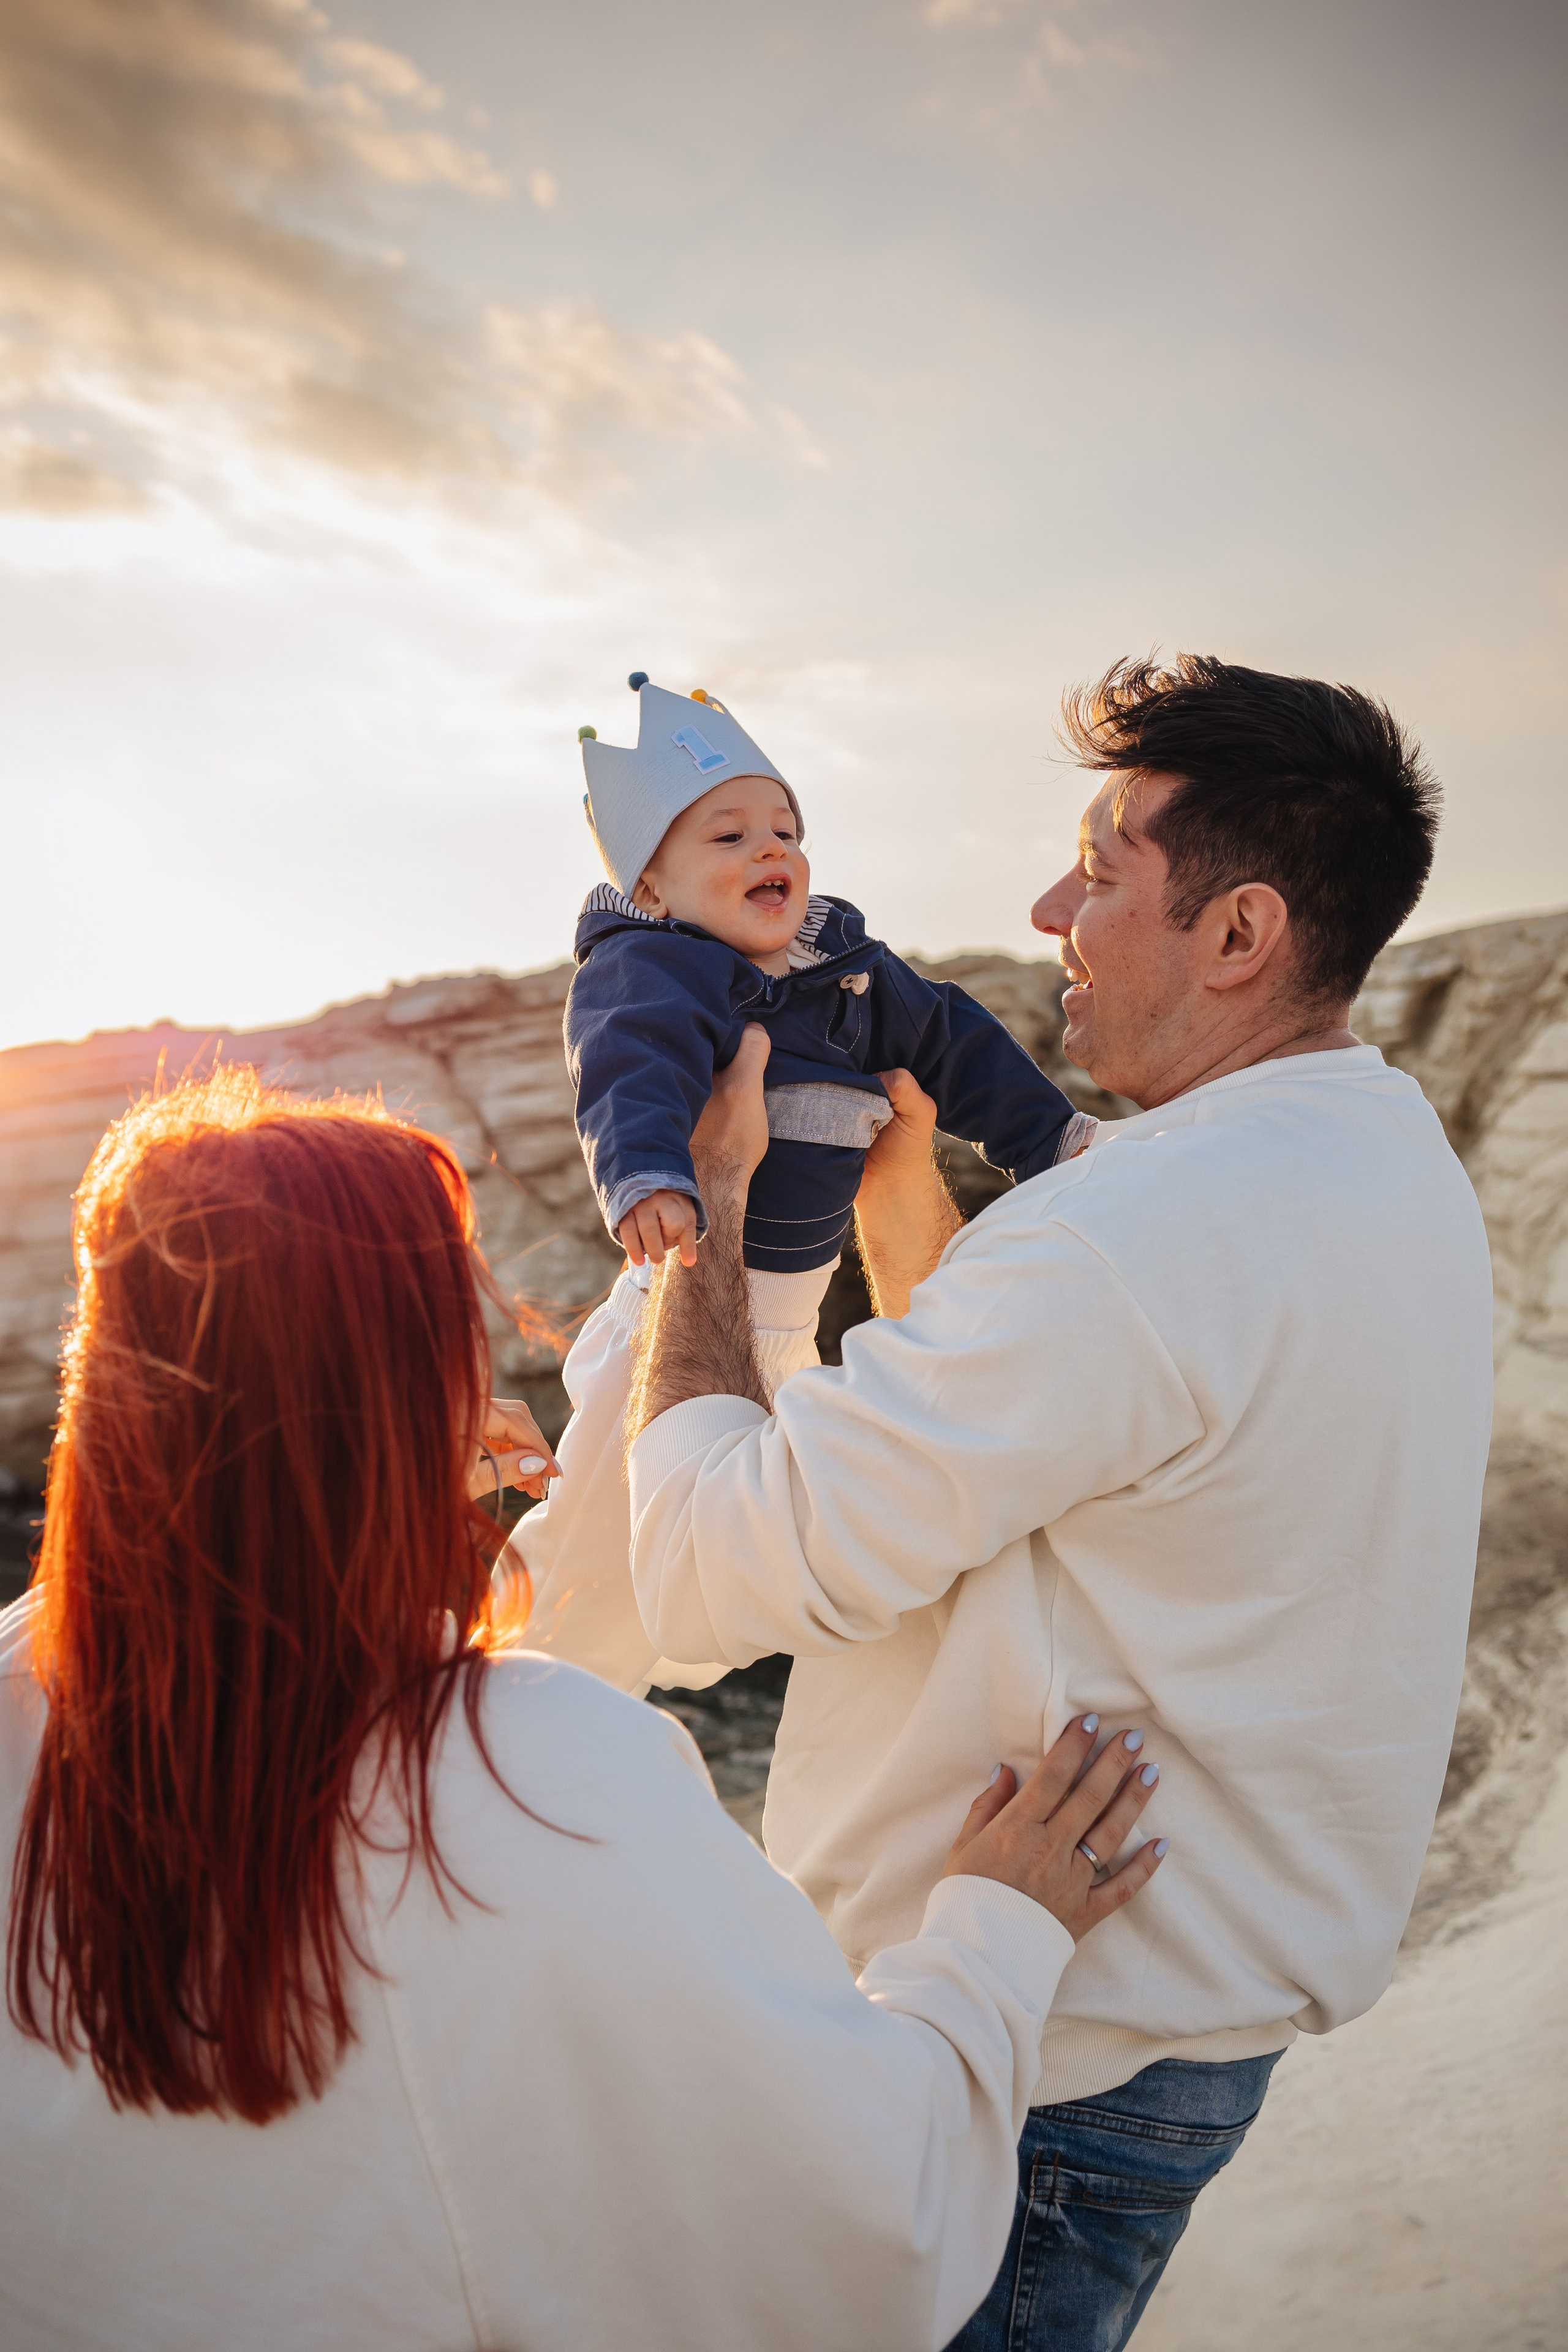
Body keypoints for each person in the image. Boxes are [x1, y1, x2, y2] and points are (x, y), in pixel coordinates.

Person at [0, 1066, 1168, 2352]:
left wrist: (416, 1557)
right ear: (403, 1394)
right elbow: (866, 2217)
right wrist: (992, 1937)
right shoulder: (536, 1776)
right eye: (460, 1325)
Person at [620, 656, 1496, 2351]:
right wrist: (914, 1233)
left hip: (1027, 2075)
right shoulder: (1380, 1158)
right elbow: (1103, 1443)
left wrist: (707, 1213)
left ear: (1239, 937)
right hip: (1168, 2052)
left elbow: (706, 1575)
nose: (1047, 910)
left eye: (1100, 869)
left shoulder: (1128, 1239)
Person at [516, 673, 1085, 1690]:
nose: (771, 849)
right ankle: (501, 1690)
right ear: (652, 887)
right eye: (727, 838)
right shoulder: (654, 967)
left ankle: (610, 1689)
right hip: (676, 1315)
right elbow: (627, 1063)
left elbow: (955, 1044)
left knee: (710, 1580)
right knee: (590, 1565)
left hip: (785, 1324)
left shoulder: (849, 968)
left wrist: (1051, 1139)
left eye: (784, 827)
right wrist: (648, 1173)